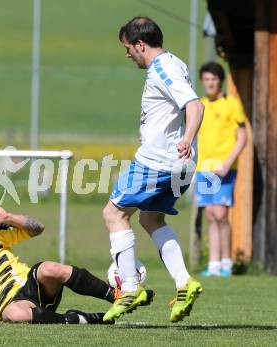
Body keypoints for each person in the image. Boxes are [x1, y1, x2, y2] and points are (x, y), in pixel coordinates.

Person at [102, 16, 205, 323]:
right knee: (150, 218)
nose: (127, 54)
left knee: (113, 214)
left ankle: (130, 287)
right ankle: (185, 283)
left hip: (158, 162)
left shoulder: (163, 68)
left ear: (140, 45)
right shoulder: (175, 63)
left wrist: (186, 138)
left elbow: (195, 106)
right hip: (178, 165)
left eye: (128, 48)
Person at [196, 62, 247, 277]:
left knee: (221, 214)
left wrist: (228, 162)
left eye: (214, 79)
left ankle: (226, 263)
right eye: (206, 80)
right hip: (204, 168)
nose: (210, 83)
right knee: (210, 214)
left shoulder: (231, 104)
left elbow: (243, 136)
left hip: (224, 168)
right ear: (202, 82)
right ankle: (214, 265)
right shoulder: (200, 105)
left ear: (220, 81)